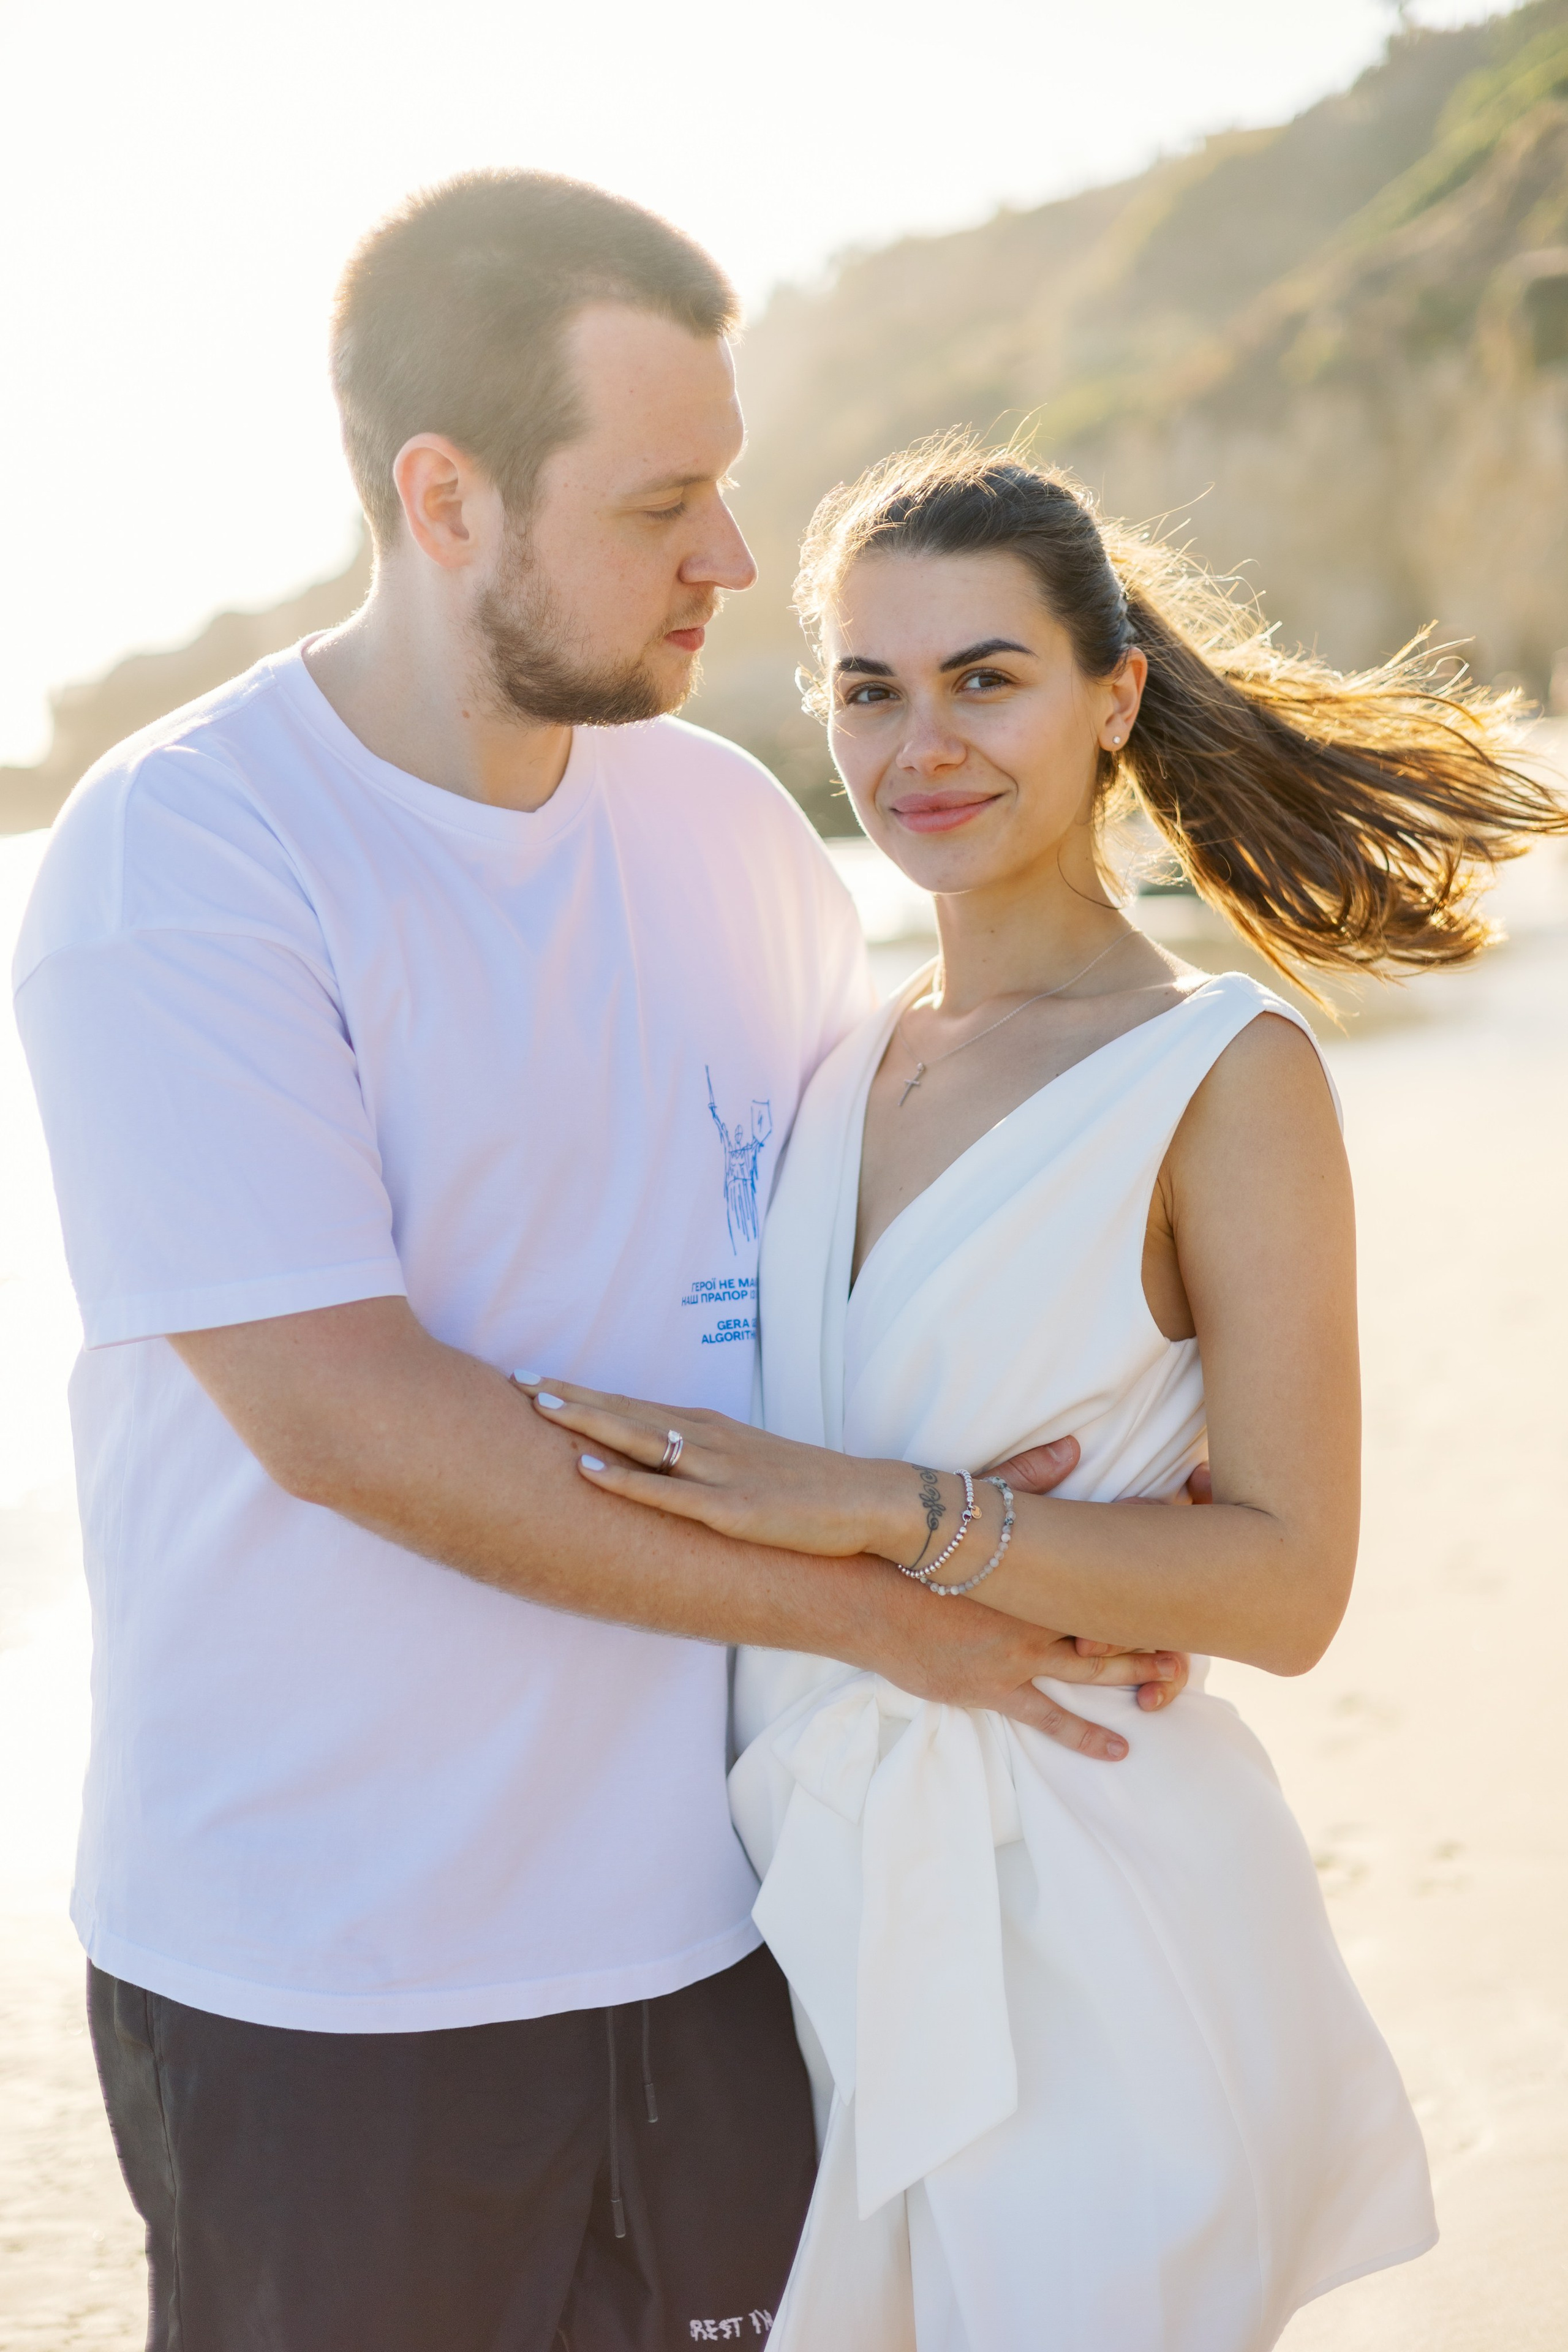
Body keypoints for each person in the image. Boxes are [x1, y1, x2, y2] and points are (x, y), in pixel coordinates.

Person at [12, 184, 1185, 2351]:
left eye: (725, 488)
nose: (731, 562)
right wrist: (901, 1611)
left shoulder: (730, 836)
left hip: (726, 1926)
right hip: (332, 1982)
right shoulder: (185, 859)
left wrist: (1071, 1518)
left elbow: (843, 1275)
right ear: (443, 498)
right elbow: (357, 1428)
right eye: (664, 504)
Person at [517, 437, 1568, 2350]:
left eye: (986, 678)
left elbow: (1289, 1586)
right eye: (869, 686)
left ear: (1114, 696)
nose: (923, 744)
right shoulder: (826, 1056)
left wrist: (897, 1513)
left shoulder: (1222, 1073)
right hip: (801, 1905)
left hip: (1086, 1909)